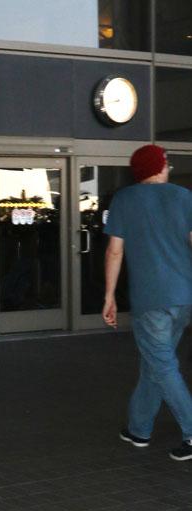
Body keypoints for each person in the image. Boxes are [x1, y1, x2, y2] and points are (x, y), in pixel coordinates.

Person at [102, 144, 192, 461]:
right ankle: (139, 428)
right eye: (165, 162)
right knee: (155, 364)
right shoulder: (184, 196)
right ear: (157, 166)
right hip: (183, 297)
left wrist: (109, 295)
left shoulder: (125, 200)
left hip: (150, 299)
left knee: (162, 365)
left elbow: (115, 251)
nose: (168, 167)